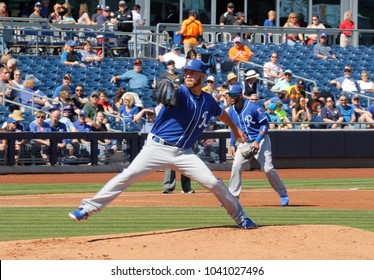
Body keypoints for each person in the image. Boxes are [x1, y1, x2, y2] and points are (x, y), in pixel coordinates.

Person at [68, 58, 257, 230]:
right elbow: (170, 92)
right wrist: (167, 87)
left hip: (184, 153)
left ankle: (241, 217)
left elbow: (221, 113)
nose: (188, 75)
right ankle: (87, 208)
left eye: (192, 72)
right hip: (157, 148)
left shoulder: (208, 100)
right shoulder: (181, 93)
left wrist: (235, 129)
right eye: (186, 72)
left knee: (213, 183)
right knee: (128, 175)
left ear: (203, 76)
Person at [226, 85, 288, 206]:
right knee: (236, 167)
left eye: (233, 95)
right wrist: (232, 143)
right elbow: (234, 128)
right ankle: (233, 197)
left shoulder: (253, 107)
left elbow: (265, 125)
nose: (231, 97)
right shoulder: (231, 111)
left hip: (260, 140)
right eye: (230, 95)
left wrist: (257, 141)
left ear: (240, 96)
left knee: (268, 169)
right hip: (244, 143)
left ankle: (282, 193)